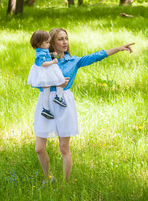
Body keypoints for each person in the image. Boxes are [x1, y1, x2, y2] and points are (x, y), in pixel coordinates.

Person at [34, 28, 135, 182]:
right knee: (39, 149)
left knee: (64, 148)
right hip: (46, 102)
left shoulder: (74, 61)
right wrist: (57, 83)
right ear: (52, 42)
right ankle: (49, 178)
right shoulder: (44, 60)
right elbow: (37, 82)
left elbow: (96, 56)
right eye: (60, 39)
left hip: (63, 103)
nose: (65, 42)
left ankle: (66, 185)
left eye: (66, 38)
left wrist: (118, 49)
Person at [27, 30, 67, 120]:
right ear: (39, 44)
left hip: (47, 71)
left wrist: (52, 54)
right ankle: (47, 107)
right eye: (47, 42)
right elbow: (42, 63)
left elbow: (46, 55)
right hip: (44, 73)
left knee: (58, 81)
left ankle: (54, 101)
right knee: (52, 87)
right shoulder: (39, 54)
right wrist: (53, 62)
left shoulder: (43, 50)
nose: (49, 44)